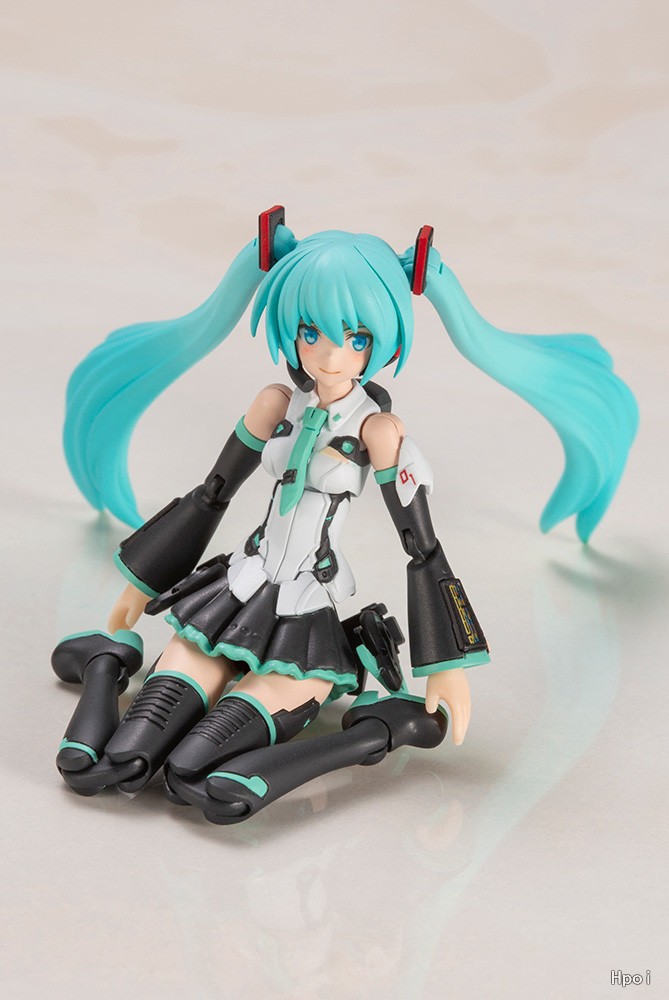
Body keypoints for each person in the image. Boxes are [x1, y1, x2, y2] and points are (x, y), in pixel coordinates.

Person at [52, 212, 638, 823]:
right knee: (119, 757)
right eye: (312, 332)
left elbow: (421, 546)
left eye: (356, 339)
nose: (331, 355)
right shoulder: (275, 403)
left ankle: (380, 729)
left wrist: (447, 663)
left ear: (381, 343)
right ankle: (104, 662)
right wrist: (141, 583)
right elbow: (213, 492)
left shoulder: (377, 431)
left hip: (305, 612)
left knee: (193, 774)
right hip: (239, 588)